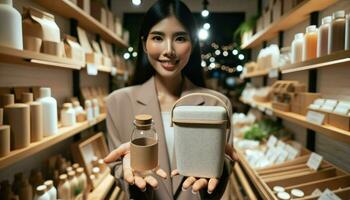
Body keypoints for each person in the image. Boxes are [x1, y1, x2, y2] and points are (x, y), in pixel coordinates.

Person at [104, 0, 237, 199]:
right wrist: (127, 174)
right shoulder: (118, 102)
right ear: (144, 44)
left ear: (192, 45)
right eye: (157, 37)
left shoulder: (217, 104)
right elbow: (117, 165)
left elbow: (224, 160)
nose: (169, 50)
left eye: (180, 38)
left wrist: (222, 167)